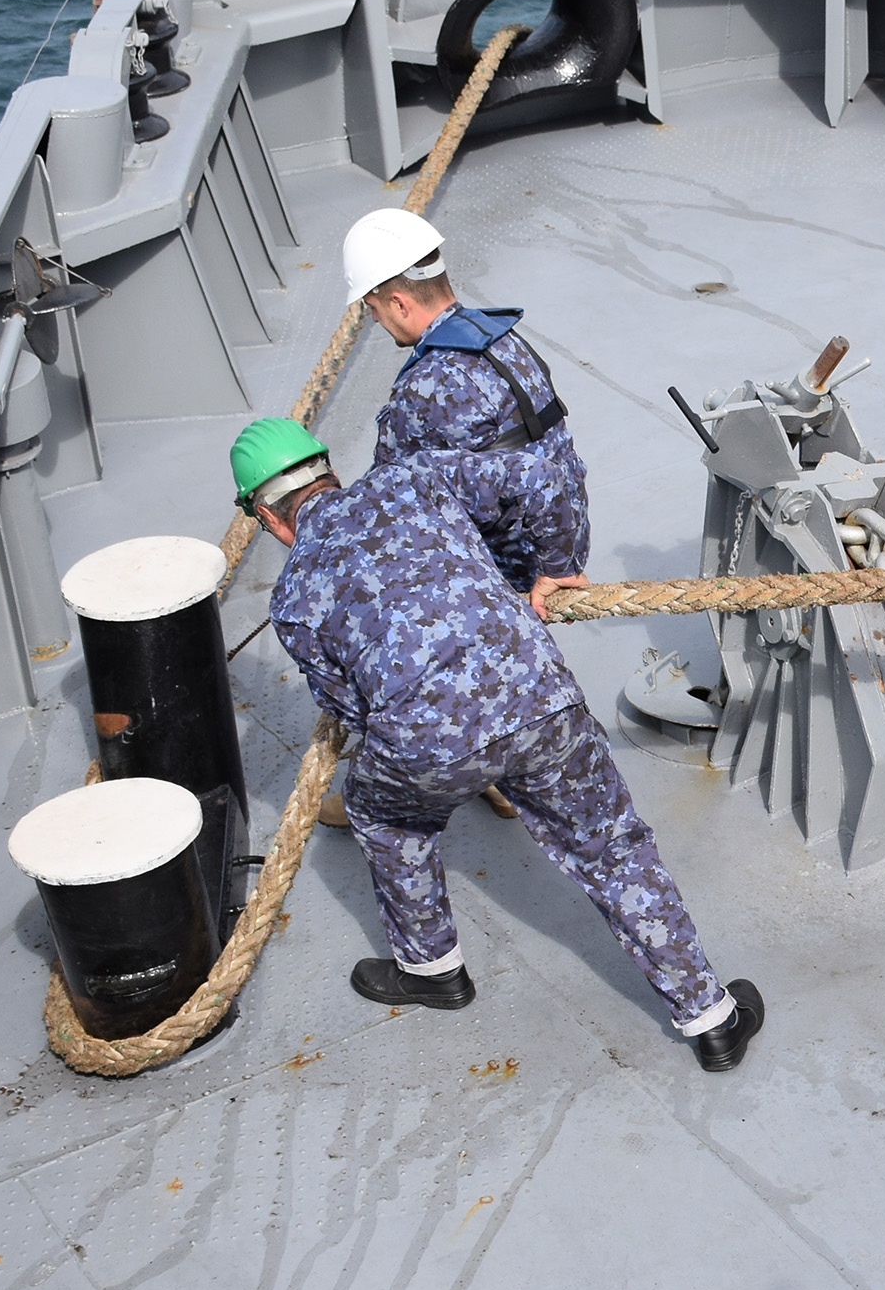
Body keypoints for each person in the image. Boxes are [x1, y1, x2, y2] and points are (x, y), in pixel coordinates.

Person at [236, 416, 763, 1072]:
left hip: (429, 747)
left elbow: (350, 710)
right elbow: (542, 475)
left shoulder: (291, 599)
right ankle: (711, 1019)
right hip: (541, 701)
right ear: (329, 472)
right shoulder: (412, 477)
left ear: (269, 517)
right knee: (611, 848)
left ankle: (432, 969)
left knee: (382, 814)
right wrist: (557, 569)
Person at [341, 208, 589, 617]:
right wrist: (560, 557)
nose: (375, 318)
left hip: (513, 574)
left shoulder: (426, 383)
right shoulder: (502, 337)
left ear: (399, 303)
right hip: (565, 536)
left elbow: (388, 489)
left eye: (373, 307)